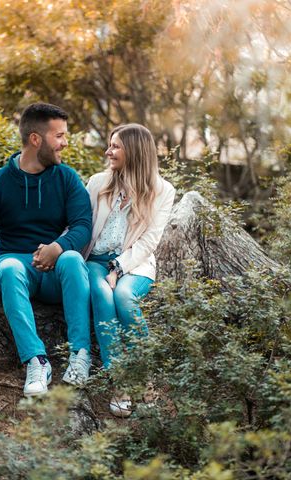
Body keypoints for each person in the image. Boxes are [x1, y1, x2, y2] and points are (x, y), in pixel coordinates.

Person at [0, 103, 93, 397]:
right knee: (7, 268)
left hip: (58, 271)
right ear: (35, 139)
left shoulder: (66, 178)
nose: (65, 143)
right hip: (18, 267)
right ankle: (36, 361)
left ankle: (80, 355)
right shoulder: (0, 183)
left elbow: (83, 225)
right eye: (59, 136)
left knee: (72, 259)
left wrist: (58, 247)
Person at [83, 123, 176, 417]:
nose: (108, 151)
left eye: (115, 146)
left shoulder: (162, 191)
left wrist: (119, 268)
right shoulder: (98, 183)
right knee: (101, 295)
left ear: (134, 152)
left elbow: (150, 240)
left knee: (124, 297)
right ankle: (120, 382)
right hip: (95, 261)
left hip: (135, 263)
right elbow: (83, 227)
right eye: (110, 145)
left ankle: (146, 376)